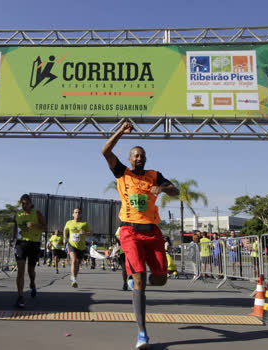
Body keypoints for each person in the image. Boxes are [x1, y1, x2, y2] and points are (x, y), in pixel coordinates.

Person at [102, 121, 179, 350]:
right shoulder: (121, 173)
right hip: (130, 231)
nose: (139, 159)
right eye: (135, 156)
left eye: (142, 156)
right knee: (140, 280)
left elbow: (176, 190)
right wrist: (120, 132)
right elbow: (105, 151)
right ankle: (142, 333)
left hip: (153, 232)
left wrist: (162, 188)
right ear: (129, 158)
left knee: (161, 280)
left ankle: (134, 278)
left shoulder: (155, 176)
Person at [10, 194, 47, 308]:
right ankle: (20, 297)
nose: (23, 205)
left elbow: (45, 227)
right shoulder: (18, 215)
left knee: (31, 270)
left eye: (26, 203)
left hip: (34, 244)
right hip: (21, 243)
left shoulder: (37, 213)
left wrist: (35, 226)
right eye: (22, 203)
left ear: (30, 204)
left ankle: (32, 283)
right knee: (20, 270)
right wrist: (13, 238)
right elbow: (16, 227)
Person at [64, 208, 92, 288]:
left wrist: (85, 232)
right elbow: (65, 230)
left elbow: (91, 233)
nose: (77, 214)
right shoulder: (69, 223)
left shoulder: (84, 224)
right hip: (72, 244)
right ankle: (74, 280)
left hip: (81, 246)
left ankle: (74, 277)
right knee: (74, 260)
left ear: (81, 214)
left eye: (79, 212)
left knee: (78, 263)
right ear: (73, 214)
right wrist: (64, 238)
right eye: (75, 212)